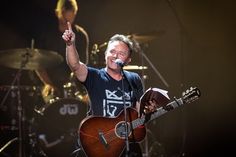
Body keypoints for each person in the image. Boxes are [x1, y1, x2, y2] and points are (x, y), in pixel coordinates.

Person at [62, 22, 158, 157]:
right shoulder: (95, 76)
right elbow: (75, 65)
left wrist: (148, 111)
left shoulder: (134, 79)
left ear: (128, 60)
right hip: (98, 141)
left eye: (121, 53)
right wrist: (70, 44)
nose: (115, 56)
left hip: (125, 146)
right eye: (112, 51)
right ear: (106, 53)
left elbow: (138, 113)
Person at [34, 1, 89, 157]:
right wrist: (48, 84)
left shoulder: (81, 35)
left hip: (75, 87)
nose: (68, 22)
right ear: (58, 12)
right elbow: (38, 64)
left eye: (71, 17)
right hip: (51, 84)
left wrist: (86, 91)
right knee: (49, 116)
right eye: (65, 18)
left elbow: (83, 66)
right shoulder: (47, 34)